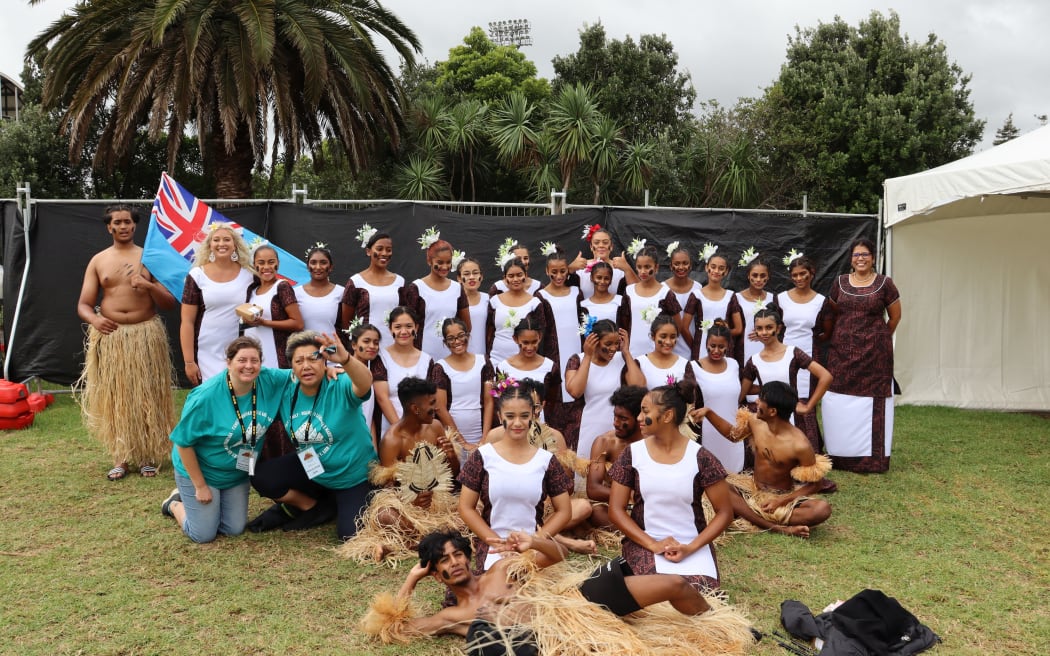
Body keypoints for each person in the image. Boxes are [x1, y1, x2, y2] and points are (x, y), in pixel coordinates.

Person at [364, 528, 754, 653]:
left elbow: (558, 556)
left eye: (457, 554)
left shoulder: (501, 570)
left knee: (674, 583)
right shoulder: (454, 617)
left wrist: (533, 542)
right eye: (444, 562)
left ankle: (720, 625)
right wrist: (412, 578)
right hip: (555, 641)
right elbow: (395, 628)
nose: (454, 563)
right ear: (437, 575)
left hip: (576, 604)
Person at [75, 204, 177, 480]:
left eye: (128, 222)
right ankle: (120, 456)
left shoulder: (149, 258)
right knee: (116, 397)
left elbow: (169, 302)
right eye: (117, 222)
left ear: (135, 226)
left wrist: (149, 285)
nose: (123, 226)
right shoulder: (99, 261)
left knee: (146, 396)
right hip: (112, 336)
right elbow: (84, 305)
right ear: (109, 227)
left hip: (145, 334)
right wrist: (95, 321)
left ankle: (146, 456)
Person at [247, 331, 377, 541]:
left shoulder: (339, 382)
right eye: (299, 361)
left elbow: (364, 383)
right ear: (292, 367)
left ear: (324, 361)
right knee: (261, 475)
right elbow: (248, 371)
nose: (306, 365)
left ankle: (343, 501)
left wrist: (344, 359)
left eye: (313, 358)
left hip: (352, 476)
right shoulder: (287, 389)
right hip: (314, 468)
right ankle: (314, 506)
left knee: (350, 535)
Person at [608, 381, 735, 592]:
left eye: (645, 411)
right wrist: (653, 545)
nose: (639, 417)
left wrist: (691, 547)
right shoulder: (632, 454)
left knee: (698, 594)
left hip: (692, 547)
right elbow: (615, 510)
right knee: (652, 592)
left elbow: (724, 512)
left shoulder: (701, 457)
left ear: (667, 416)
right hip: (645, 543)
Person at [161, 336, 289, 543]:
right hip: (203, 471)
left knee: (233, 529)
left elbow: (303, 374)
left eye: (254, 361)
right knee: (203, 535)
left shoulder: (268, 379)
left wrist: (330, 370)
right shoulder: (205, 397)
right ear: (228, 362)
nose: (249, 366)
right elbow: (183, 443)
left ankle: (211, 505)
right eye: (242, 360)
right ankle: (174, 503)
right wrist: (200, 486)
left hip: (236, 473)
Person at [691, 381, 832, 538]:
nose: (756, 402)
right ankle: (774, 526)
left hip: (779, 497)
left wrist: (781, 502)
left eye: (761, 399)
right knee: (718, 484)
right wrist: (709, 413)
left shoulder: (800, 445)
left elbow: (816, 484)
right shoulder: (755, 421)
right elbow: (733, 434)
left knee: (822, 509)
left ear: (772, 411)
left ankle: (744, 513)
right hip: (750, 489)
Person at [458, 383, 574, 571]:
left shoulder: (546, 460)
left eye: (524, 416)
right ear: (500, 417)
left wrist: (536, 540)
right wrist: (495, 542)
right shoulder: (483, 456)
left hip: (534, 548)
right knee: (502, 588)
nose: (517, 423)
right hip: (495, 549)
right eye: (510, 416)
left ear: (534, 416)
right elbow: (465, 507)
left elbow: (564, 511)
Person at [823, 239, 902, 473]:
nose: (861, 258)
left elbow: (895, 317)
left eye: (865, 254)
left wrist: (879, 339)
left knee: (872, 400)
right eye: (856, 255)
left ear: (873, 258)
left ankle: (873, 460)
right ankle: (839, 456)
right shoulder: (839, 283)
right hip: (841, 354)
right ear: (851, 259)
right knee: (837, 399)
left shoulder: (885, 284)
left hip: (875, 357)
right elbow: (834, 311)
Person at [740, 307, 833, 453]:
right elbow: (742, 393)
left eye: (769, 327)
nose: (764, 332)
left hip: (792, 415)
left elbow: (826, 376)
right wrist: (764, 389)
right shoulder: (753, 361)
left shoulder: (793, 353)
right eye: (759, 328)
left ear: (778, 328)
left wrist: (808, 406)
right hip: (766, 419)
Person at [180, 223, 255, 384]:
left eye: (227, 239)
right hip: (205, 349)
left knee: (237, 397)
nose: (221, 244)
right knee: (211, 398)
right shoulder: (197, 275)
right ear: (209, 245)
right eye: (216, 240)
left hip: (239, 348)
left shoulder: (249, 275)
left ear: (235, 245)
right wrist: (189, 362)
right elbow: (187, 322)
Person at [564, 319, 645, 458]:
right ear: (594, 342)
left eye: (616, 343)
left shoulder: (622, 358)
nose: (613, 348)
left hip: (618, 427)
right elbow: (575, 391)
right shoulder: (578, 359)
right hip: (587, 427)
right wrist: (588, 356)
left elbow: (639, 387)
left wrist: (626, 352)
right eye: (608, 344)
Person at [776, 254, 834, 432]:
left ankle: (810, 448)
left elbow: (826, 331)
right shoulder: (780, 298)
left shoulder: (821, 301)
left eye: (803, 274)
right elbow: (776, 327)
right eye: (795, 275)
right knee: (781, 398)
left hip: (810, 357)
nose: (799, 278)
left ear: (812, 274)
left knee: (806, 403)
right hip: (782, 355)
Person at [535, 246, 584, 436]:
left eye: (563, 271)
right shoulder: (541, 296)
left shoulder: (575, 292)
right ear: (547, 271)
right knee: (557, 396)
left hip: (576, 352)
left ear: (568, 271)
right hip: (552, 354)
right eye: (553, 272)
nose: (558, 275)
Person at [586, 385, 647, 529]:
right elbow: (593, 489)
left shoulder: (654, 441)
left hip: (649, 507)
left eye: (623, 418)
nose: (615, 423)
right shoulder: (604, 442)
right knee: (595, 512)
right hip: (616, 507)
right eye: (615, 416)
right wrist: (629, 496)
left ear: (639, 418)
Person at [372, 306, 439, 437]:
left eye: (409, 326)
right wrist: (401, 430)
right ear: (390, 329)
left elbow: (431, 398)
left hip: (422, 430)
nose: (403, 331)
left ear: (416, 328)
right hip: (390, 429)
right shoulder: (381, 357)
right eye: (397, 327)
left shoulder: (427, 360)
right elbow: (382, 397)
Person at [402, 236, 470, 360]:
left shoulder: (457, 288)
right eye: (440, 263)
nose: (445, 267)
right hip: (423, 354)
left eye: (448, 262)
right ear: (429, 261)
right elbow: (407, 324)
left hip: (452, 354)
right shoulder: (416, 288)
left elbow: (466, 325)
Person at [432, 318, 494, 448]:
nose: (457, 341)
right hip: (453, 437)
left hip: (482, 432)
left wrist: (485, 438)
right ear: (445, 342)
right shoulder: (440, 368)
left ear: (468, 336)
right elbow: (440, 408)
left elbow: (489, 401)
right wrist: (462, 443)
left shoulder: (483, 362)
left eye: (461, 336)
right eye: (451, 338)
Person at [692, 321, 744, 473]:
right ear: (706, 343)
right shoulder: (694, 367)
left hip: (733, 431)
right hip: (708, 432)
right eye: (712, 346)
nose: (716, 350)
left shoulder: (734, 365)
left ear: (728, 345)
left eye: (721, 347)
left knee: (734, 472)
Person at [242, 241, 304, 369]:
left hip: (276, 358)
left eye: (271, 262)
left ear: (278, 264)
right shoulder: (252, 290)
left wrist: (265, 323)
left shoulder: (282, 287)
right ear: (254, 265)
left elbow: (298, 324)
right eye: (261, 263)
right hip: (253, 356)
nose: (266, 267)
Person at [493, 317, 559, 425]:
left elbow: (554, 403)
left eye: (534, 342)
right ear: (515, 339)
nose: (530, 347)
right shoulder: (503, 368)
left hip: (541, 427)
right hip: (513, 426)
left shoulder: (550, 367)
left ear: (540, 337)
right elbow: (500, 402)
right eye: (525, 342)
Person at [340, 229, 405, 336]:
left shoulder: (400, 282)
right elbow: (346, 323)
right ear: (368, 251)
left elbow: (404, 316)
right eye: (379, 249)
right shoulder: (356, 282)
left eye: (388, 250)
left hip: (395, 346)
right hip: (367, 347)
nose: (384, 253)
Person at [682, 250, 743, 361]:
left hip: (724, 350)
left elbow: (738, 329)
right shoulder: (697, 295)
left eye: (721, 268)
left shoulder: (730, 296)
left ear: (726, 271)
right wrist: (695, 345)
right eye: (713, 267)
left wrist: (723, 333)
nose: (716, 271)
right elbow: (684, 327)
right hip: (701, 350)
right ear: (707, 268)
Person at [486, 257, 547, 366]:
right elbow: (489, 332)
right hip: (497, 359)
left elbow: (541, 334)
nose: (515, 279)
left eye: (519, 275)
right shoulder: (494, 301)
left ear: (526, 276)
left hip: (526, 360)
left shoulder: (535, 303)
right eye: (511, 276)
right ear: (505, 278)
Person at [624, 244, 681, 356]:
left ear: (656, 268)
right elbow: (624, 324)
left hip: (658, 353)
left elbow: (678, 325)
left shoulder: (665, 293)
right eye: (639, 267)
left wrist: (666, 344)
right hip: (633, 351)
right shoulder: (629, 292)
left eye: (647, 267)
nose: (643, 271)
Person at [569, 224, 637, 297]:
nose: (601, 245)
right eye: (596, 242)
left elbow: (638, 292)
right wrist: (570, 268)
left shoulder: (620, 269)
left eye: (605, 242)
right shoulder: (580, 268)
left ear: (611, 247)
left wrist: (627, 269)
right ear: (591, 247)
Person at [734, 256, 773, 373]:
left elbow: (779, 325)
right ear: (748, 276)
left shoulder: (772, 298)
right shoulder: (737, 298)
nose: (758, 279)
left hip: (766, 347)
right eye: (755, 275)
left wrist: (763, 333)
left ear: (768, 277)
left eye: (763, 276)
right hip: (743, 349)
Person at [294, 244, 344, 337]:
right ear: (308, 266)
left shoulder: (341, 292)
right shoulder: (296, 293)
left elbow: (345, 327)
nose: (318, 267)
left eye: (323, 262)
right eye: (313, 262)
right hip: (305, 349)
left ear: (331, 266)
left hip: (331, 349)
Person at [663, 244, 703, 359]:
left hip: (690, 344)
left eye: (685, 263)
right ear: (671, 266)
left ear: (690, 265)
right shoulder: (663, 289)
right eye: (677, 263)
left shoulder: (698, 288)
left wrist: (695, 347)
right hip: (669, 344)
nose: (681, 267)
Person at [637, 313, 695, 390]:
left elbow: (691, 398)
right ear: (653, 336)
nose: (668, 342)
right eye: (663, 336)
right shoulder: (640, 363)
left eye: (673, 337)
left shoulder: (685, 365)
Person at [348, 321, 383, 447]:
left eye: (376, 342)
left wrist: (373, 450)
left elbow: (368, 413)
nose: (372, 346)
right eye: (366, 341)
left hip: (364, 445)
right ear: (354, 345)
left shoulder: (369, 373)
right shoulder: (341, 373)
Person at [580, 261, 630, 328]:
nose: (602, 282)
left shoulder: (620, 301)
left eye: (606, 278)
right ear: (591, 278)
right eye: (599, 277)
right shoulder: (583, 305)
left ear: (611, 280)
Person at [456, 256, 490, 357]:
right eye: (466, 274)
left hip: (482, 356)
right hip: (459, 356)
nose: (471, 277)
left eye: (475, 273)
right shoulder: (454, 301)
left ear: (481, 276)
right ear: (459, 278)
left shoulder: (488, 299)